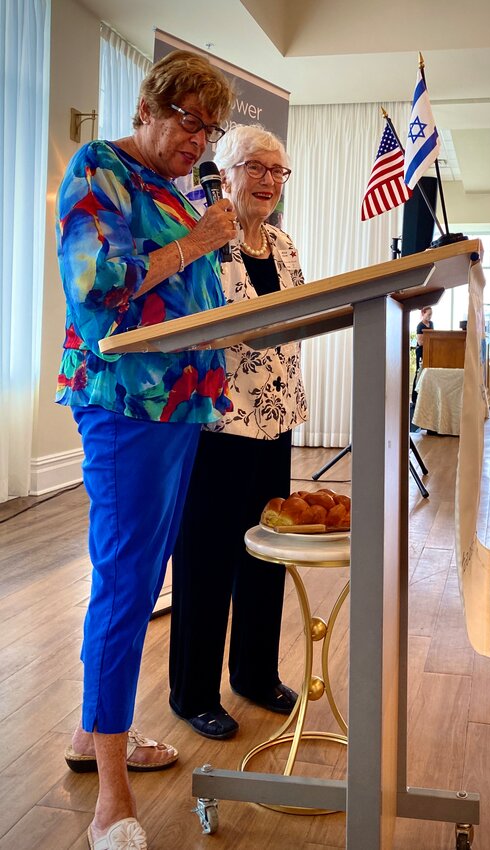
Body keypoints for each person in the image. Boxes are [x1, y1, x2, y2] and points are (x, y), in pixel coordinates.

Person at [55, 50, 237, 850]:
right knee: (126, 585)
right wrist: (198, 243)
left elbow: (191, 298)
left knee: (136, 578)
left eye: (211, 128)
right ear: (150, 107)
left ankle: (89, 735)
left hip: (181, 410)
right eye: (188, 120)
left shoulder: (174, 191)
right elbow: (95, 289)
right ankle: (111, 796)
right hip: (125, 406)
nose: (198, 138)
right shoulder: (101, 169)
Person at [168, 124, 307, 740]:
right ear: (224, 171)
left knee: (266, 549)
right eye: (257, 168)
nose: (269, 182)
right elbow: (189, 325)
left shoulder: (282, 244)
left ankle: (254, 671)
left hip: (274, 418)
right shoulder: (200, 235)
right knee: (207, 557)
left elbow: (298, 315)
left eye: (278, 172)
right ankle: (192, 691)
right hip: (217, 421)